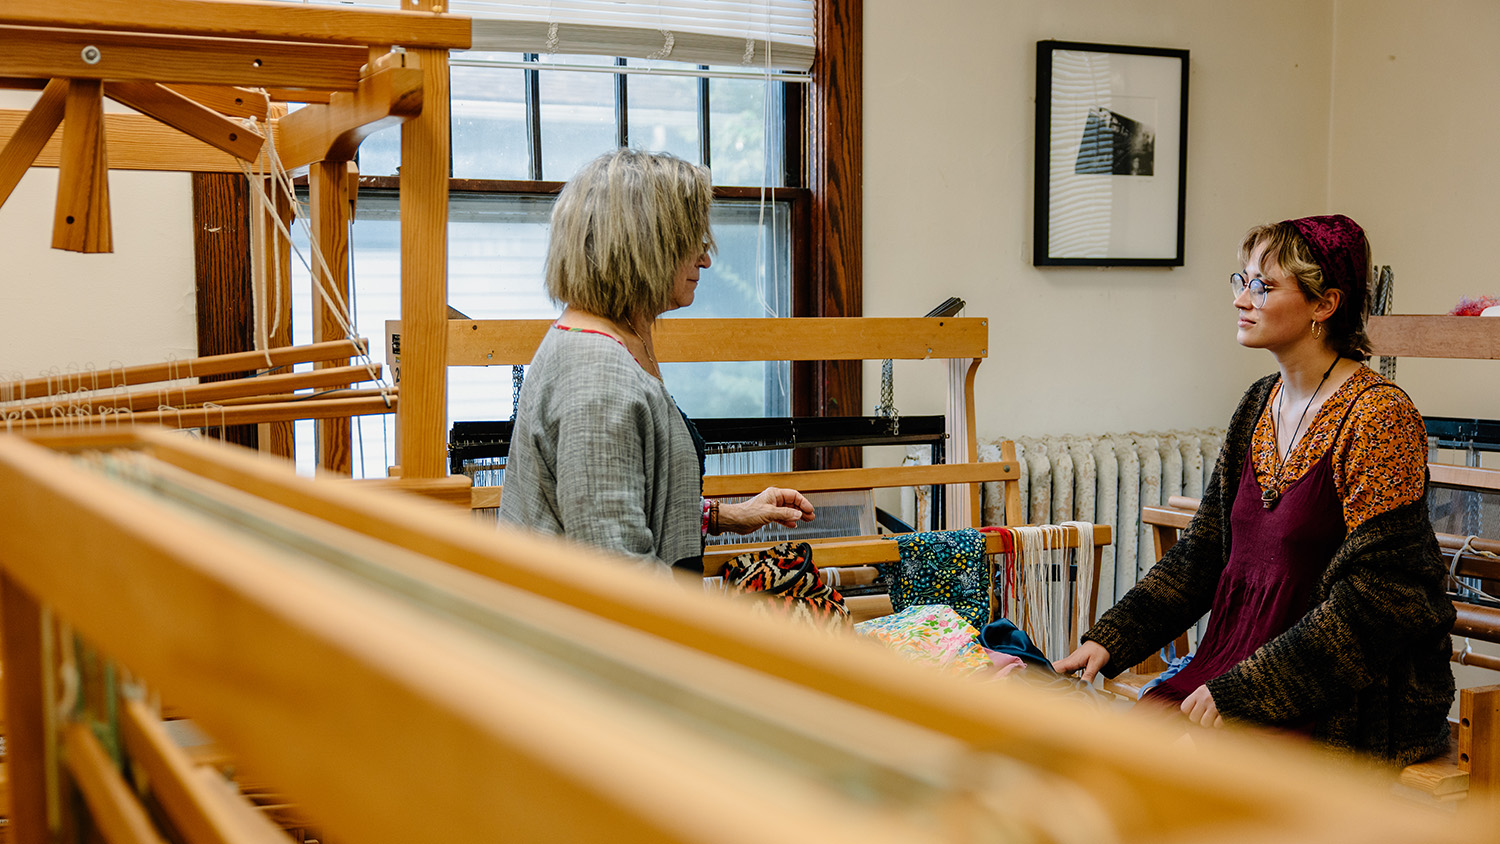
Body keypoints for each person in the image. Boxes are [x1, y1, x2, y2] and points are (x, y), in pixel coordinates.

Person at [1053, 214, 1454, 766]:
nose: (1242, 299)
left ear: (1324, 304)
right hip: (1232, 666)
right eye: (1241, 281)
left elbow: (1379, 605)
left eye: (1263, 286)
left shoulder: (1380, 417)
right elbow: (1202, 554)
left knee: (1182, 773)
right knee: (1129, 752)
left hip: (1338, 695)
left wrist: (1244, 693)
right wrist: (1110, 641)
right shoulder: (1258, 401)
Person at [498, 148, 814, 576]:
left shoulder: (602, 338)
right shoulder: (598, 378)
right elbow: (619, 573)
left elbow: (623, 497)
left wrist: (729, 516)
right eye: (694, 243)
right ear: (646, 245)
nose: (705, 259)